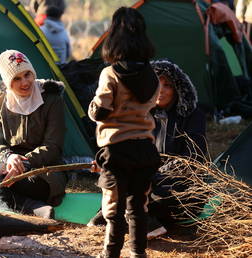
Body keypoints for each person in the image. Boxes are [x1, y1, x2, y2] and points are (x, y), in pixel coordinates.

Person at [87, 7, 161, 258]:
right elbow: (151, 106)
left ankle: (111, 254)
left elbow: (101, 112)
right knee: (139, 207)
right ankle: (138, 254)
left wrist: (91, 107)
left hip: (117, 149)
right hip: (145, 148)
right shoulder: (153, 75)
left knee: (113, 209)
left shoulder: (110, 73)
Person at [0, 49, 67, 219]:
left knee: (30, 183)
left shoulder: (52, 99)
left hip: (39, 168)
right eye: (17, 78)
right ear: (7, 82)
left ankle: (14, 201)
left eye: (27, 74)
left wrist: (24, 163)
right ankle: (32, 207)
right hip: (7, 163)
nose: (25, 82)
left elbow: (53, 146)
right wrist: (8, 157)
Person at [146, 59, 208, 237]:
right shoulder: (142, 114)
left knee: (140, 192)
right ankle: (144, 218)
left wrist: (155, 176)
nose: (161, 90)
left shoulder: (193, 115)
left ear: (178, 89)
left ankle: (118, 213)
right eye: (156, 84)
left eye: (167, 85)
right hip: (147, 180)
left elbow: (193, 158)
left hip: (181, 183)